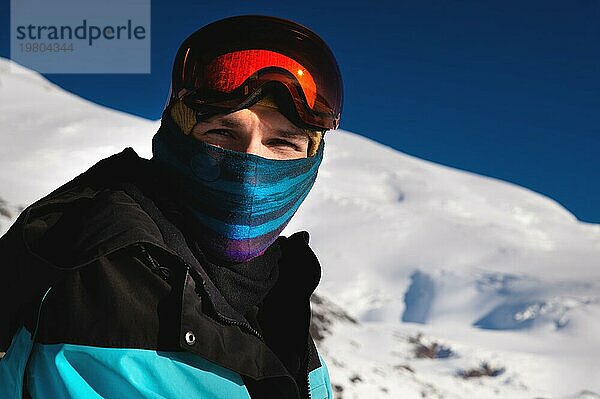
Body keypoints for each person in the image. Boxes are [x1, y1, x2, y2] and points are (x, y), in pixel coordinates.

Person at [0, 14, 343, 398]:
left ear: (311, 160)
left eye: (282, 143)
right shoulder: (82, 264)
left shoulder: (282, 295)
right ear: (178, 136)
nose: (250, 167)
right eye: (222, 132)